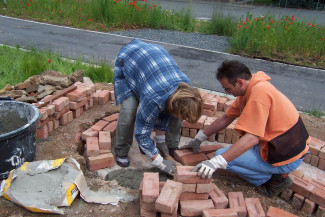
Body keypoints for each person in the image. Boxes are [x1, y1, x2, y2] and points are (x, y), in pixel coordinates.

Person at [181, 60, 310, 197]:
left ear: (240, 82)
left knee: (221, 156)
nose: (227, 92)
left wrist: (216, 162)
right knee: (229, 154)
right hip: (280, 145)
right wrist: (199, 138)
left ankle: (273, 180)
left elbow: (252, 138)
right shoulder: (253, 86)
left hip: (286, 155)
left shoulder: (258, 95)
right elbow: (226, 118)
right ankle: (270, 171)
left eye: (228, 89)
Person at [113, 39, 203, 176]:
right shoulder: (154, 98)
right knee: (129, 112)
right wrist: (159, 161)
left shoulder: (187, 90)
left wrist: (161, 142)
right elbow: (142, 134)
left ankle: (171, 147)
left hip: (155, 66)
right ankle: (121, 150)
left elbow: (167, 112)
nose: (183, 119)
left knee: (176, 115)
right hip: (130, 61)